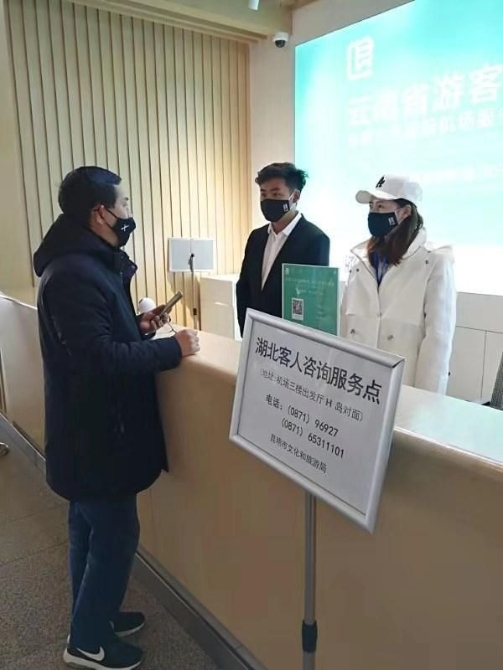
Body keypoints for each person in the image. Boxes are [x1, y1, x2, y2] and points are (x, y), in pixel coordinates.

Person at [33, 166, 199, 670]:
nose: (129, 212)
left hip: (93, 432)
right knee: (114, 535)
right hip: (96, 435)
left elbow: (100, 335)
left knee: (88, 531)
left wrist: (138, 326)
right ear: (100, 213)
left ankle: (94, 617)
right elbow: (97, 358)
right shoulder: (75, 273)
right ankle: (87, 641)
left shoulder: (85, 263)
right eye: (123, 204)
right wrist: (172, 348)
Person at [340, 174, 456, 394]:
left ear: (405, 212)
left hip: (404, 386)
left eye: (381, 206)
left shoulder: (434, 261)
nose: (374, 213)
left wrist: (427, 399)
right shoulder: (360, 258)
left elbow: (438, 339)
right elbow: (346, 323)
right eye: (371, 207)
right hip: (359, 383)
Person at [236, 162, 330, 335]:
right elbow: (244, 287)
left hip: (290, 340)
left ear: (295, 197)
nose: (267, 200)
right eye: (263, 194)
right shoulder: (256, 237)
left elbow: (314, 302)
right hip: (255, 334)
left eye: (275, 194)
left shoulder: (315, 240)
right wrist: (246, 330)